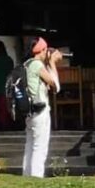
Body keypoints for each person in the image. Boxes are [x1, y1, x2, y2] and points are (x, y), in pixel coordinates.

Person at [22, 37, 62, 178]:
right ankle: (36, 177)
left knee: (30, 144)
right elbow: (55, 86)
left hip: (30, 112)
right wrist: (52, 63)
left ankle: (27, 175)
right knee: (40, 146)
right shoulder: (37, 65)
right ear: (42, 50)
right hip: (40, 111)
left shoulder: (26, 64)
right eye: (46, 50)